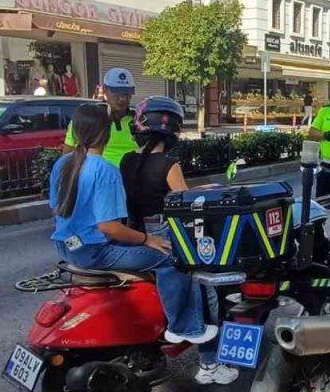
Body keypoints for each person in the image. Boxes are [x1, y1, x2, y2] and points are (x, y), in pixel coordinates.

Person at [50, 103, 217, 345]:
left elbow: (56, 209)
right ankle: (186, 327)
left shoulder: (63, 164)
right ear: (106, 132)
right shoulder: (105, 169)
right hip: (95, 251)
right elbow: (110, 227)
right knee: (174, 257)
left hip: (66, 247)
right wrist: (149, 239)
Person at [121, 97, 237, 385]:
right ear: (172, 132)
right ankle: (209, 365)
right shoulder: (169, 163)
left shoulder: (127, 160)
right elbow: (183, 203)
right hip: (164, 234)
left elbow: (159, 190)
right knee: (205, 288)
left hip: (136, 233)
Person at [66, 67, 139, 167]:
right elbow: (68, 153)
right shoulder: (89, 119)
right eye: (117, 94)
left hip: (134, 178)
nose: (123, 99)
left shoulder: (139, 120)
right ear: (105, 90)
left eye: (127, 94)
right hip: (100, 177)